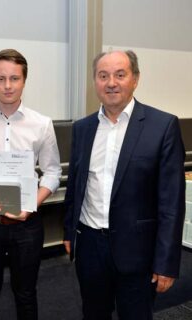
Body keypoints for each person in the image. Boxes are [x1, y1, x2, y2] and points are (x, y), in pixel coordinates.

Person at [63, 50, 186, 320]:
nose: (111, 83)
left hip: (138, 252)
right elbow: (76, 186)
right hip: (90, 246)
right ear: (95, 81)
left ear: (136, 79)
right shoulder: (83, 128)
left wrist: (166, 262)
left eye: (120, 75)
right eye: (103, 75)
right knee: (94, 314)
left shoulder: (162, 126)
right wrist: (69, 232)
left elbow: (171, 203)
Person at [0, 49, 62, 319]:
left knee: (26, 292)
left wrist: (32, 204)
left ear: (24, 81)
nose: (7, 86)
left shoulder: (42, 124)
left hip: (26, 224)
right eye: (1, 78)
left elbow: (52, 173)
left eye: (14, 78)